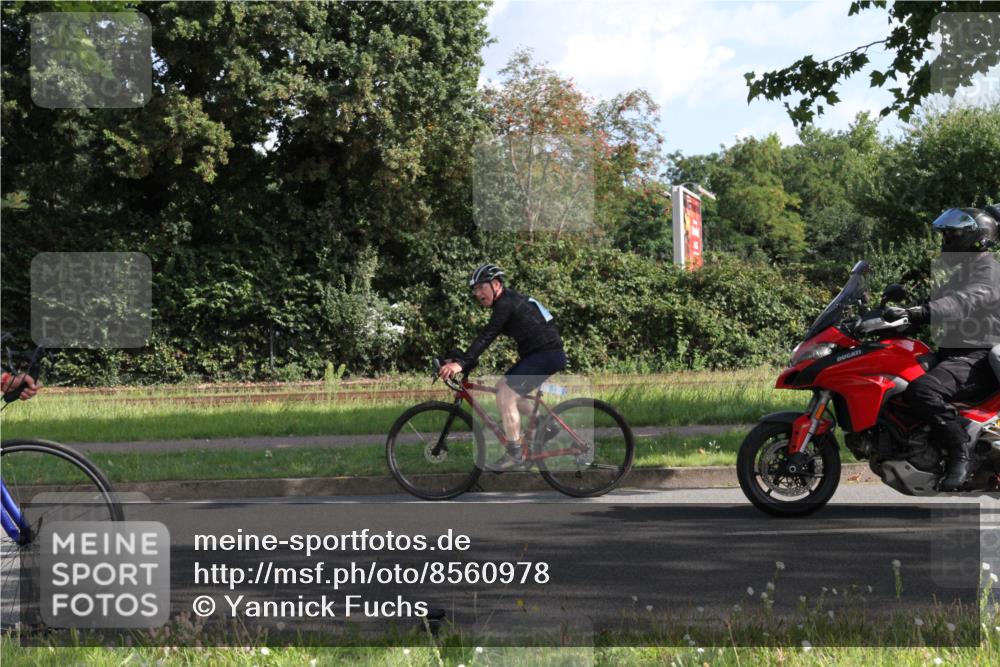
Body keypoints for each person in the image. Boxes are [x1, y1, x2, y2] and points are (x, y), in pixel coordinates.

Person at [886, 206, 1000, 491]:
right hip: (951, 353)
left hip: (976, 357)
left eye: (951, 234)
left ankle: (960, 452)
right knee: (896, 375)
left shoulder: (988, 270)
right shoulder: (964, 270)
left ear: (973, 237)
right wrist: (892, 317)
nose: (945, 239)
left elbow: (962, 302)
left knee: (923, 391)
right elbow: (936, 305)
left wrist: (920, 312)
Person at [438, 263, 566, 469]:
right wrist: (463, 358)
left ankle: (515, 454)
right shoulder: (508, 301)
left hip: (545, 355)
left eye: (481, 287)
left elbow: (488, 335)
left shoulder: (506, 304)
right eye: (474, 290)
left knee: (506, 397)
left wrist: (461, 363)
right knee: (502, 388)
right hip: (540, 354)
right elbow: (487, 336)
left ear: (496, 284)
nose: (477, 293)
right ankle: (546, 424)